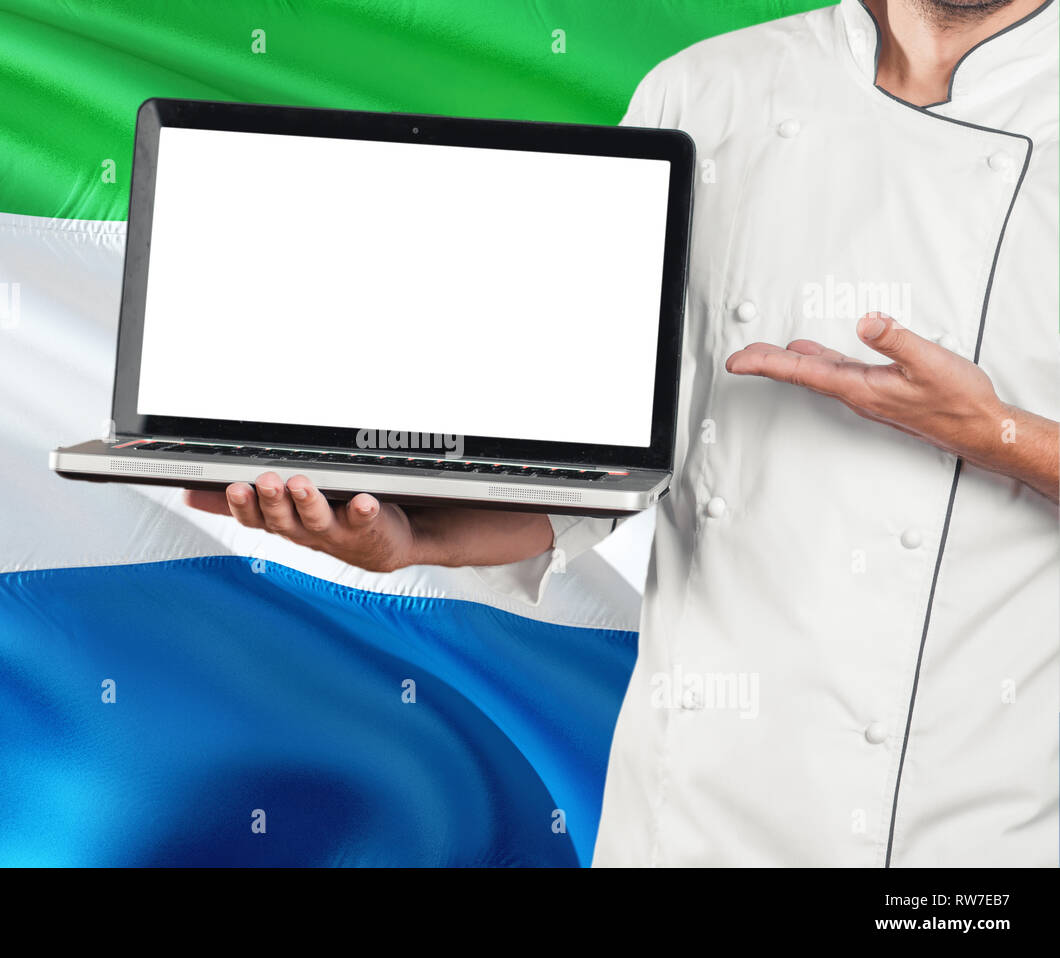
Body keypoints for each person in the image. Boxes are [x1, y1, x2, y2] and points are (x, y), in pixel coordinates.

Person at [187, 0, 1059, 866]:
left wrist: (997, 435)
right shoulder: (707, 90)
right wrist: (417, 535)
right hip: (696, 817)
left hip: (979, 830)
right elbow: (613, 457)